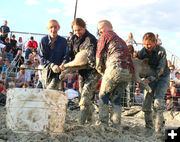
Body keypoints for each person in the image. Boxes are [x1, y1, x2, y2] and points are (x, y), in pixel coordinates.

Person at [96, 20, 134, 130]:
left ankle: (103, 123)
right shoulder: (121, 40)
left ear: (109, 27)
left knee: (103, 95)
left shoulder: (105, 36)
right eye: (98, 30)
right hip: (128, 72)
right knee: (116, 99)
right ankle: (116, 124)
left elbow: (99, 55)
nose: (100, 31)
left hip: (115, 67)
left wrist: (100, 70)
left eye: (101, 28)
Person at [137, 32, 170, 139]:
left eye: (150, 44)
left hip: (162, 77)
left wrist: (149, 79)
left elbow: (160, 70)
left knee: (158, 101)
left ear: (155, 42)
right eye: (145, 44)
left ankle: (158, 128)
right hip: (149, 77)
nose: (147, 47)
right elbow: (138, 62)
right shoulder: (143, 52)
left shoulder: (161, 51)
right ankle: (148, 126)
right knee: (146, 102)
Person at [68, 18, 101, 125]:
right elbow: (70, 54)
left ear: (84, 27)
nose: (78, 32)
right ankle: (90, 119)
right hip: (81, 71)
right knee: (82, 94)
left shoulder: (90, 39)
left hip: (93, 71)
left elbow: (91, 58)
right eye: (75, 30)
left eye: (80, 30)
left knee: (85, 96)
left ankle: (81, 122)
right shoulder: (73, 38)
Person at [38, 19, 68, 89]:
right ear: (48, 28)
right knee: (45, 90)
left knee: (52, 90)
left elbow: (66, 56)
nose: (53, 29)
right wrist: (52, 65)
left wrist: (63, 64)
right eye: (51, 27)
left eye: (55, 27)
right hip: (46, 70)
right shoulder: (43, 40)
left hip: (59, 71)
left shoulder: (63, 41)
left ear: (58, 28)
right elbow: (42, 58)